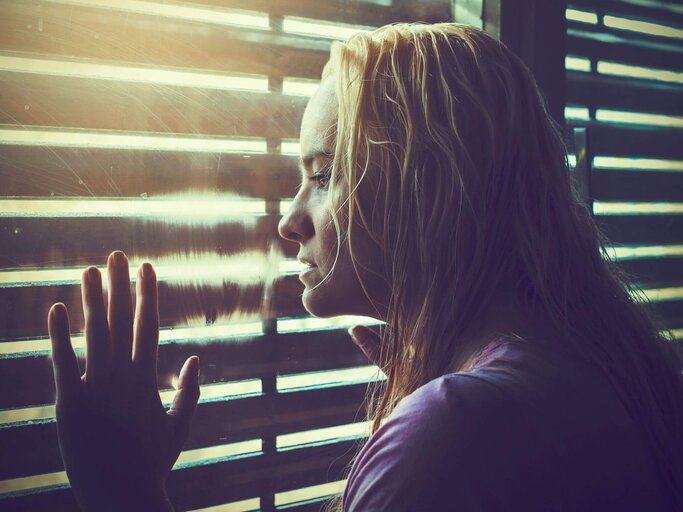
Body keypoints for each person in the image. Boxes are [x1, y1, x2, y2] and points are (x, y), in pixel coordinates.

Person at [48, 23, 682, 512]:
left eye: (324, 175)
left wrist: (122, 492)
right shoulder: (599, 366)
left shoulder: (456, 434)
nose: (289, 221)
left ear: (431, 182)